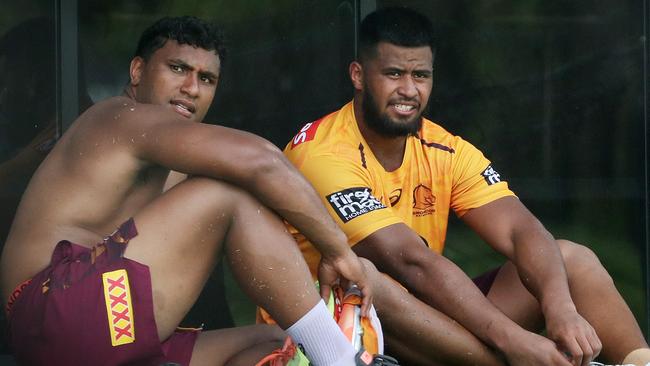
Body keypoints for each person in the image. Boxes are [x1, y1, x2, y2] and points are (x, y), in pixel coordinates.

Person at [281, 6, 650, 366]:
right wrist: (515, 340)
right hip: (341, 338)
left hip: (435, 327)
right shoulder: (323, 152)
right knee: (367, 277)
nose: (408, 90)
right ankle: (516, 357)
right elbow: (411, 261)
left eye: (421, 76)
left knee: (571, 258)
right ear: (359, 76)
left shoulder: (444, 147)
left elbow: (521, 230)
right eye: (393, 74)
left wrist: (561, 311)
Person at [0, 16, 378, 366]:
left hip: (102, 327)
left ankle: (332, 351)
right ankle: (342, 358)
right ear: (137, 71)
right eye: (177, 68)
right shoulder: (117, 117)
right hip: (53, 312)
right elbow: (259, 160)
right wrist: (339, 251)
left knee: (274, 343)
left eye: (207, 79)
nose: (191, 88)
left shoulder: (174, 168)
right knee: (224, 192)